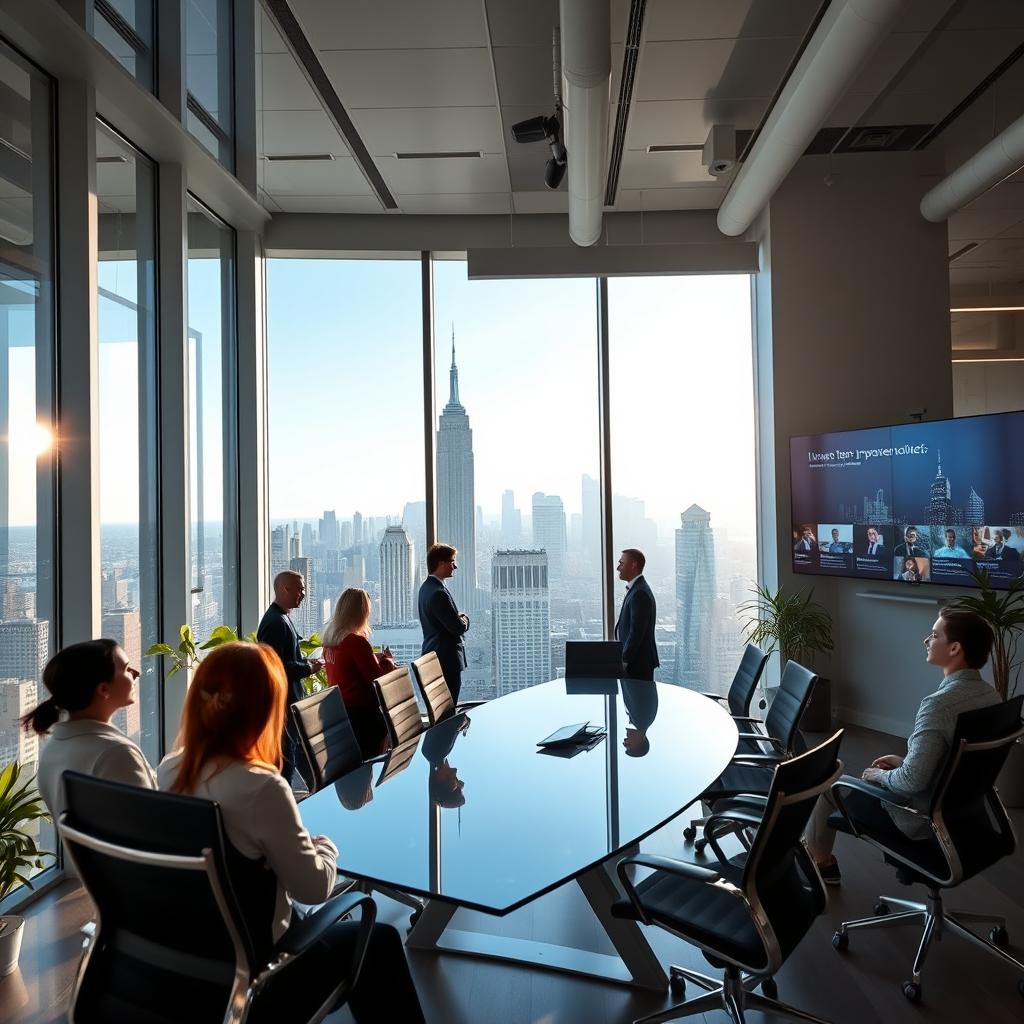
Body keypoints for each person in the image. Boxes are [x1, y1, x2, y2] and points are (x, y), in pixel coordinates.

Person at [159, 642, 424, 1023]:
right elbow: (314, 889)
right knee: (377, 940)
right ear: (264, 708)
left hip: (198, 952)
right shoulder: (261, 788)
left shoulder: (170, 769)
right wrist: (326, 848)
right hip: (267, 970)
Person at [805, 608, 999, 886]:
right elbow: (953, 763)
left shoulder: (938, 705)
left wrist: (878, 776)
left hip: (917, 820)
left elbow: (911, 783)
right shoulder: (990, 696)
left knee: (828, 784)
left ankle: (820, 863)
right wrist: (905, 761)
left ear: (955, 648)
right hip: (965, 818)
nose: (926, 641)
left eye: (934, 635)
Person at [24, 639, 155, 823]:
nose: (135, 674)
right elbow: (150, 827)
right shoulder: (116, 753)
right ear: (103, 689)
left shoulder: (52, 750)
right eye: (126, 669)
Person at [257, 570, 323, 787]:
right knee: (287, 762)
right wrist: (309, 668)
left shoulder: (280, 617)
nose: (304, 594)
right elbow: (276, 667)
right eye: (300, 589)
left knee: (296, 757)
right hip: (283, 707)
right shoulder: (275, 623)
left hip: (288, 704)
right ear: (285, 589)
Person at [322, 588, 396, 758]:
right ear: (362, 612)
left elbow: (348, 668)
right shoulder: (356, 641)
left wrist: (372, 658)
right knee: (369, 767)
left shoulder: (331, 639)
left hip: (341, 715)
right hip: (364, 719)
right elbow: (377, 680)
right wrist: (388, 661)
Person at [418, 543, 470, 703]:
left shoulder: (426, 588)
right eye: (452, 561)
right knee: (447, 708)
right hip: (445, 660)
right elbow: (457, 627)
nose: (455, 566)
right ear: (441, 563)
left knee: (443, 708)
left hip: (435, 656)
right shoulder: (438, 593)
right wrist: (465, 619)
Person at [615, 548, 659, 681]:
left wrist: (624, 661)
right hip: (636, 662)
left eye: (621, 563)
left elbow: (636, 632)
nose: (618, 568)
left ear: (633, 565)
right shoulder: (637, 589)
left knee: (639, 701)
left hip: (637, 664)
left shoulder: (639, 593)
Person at [421, 711, 469, 809]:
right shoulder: (434, 754)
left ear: (439, 779)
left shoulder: (436, 753)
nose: (455, 771)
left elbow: (458, 717)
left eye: (449, 778)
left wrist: (464, 724)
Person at [621, 679, 659, 757]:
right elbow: (638, 684)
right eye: (628, 744)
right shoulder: (644, 718)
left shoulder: (640, 720)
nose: (625, 740)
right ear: (640, 742)